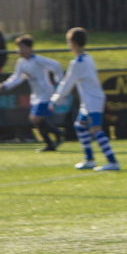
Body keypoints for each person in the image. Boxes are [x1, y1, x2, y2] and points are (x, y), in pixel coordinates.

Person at [49, 28, 119, 172]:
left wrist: (54, 100)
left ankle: (112, 161)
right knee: (80, 126)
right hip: (90, 100)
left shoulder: (78, 63)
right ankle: (89, 159)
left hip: (93, 100)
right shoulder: (87, 57)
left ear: (73, 43)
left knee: (95, 129)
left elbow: (67, 83)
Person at [0, 35, 65, 152]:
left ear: (30, 48)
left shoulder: (38, 60)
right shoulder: (21, 62)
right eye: (19, 47)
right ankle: (51, 142)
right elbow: (17, 77)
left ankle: (58, 133)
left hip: (45, 93)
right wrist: (5, 85)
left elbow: (56, 65)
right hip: (36, 95)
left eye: (23, 47)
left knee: (35, 119)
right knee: (36, 121)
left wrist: (58, 82)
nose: (20, 50)